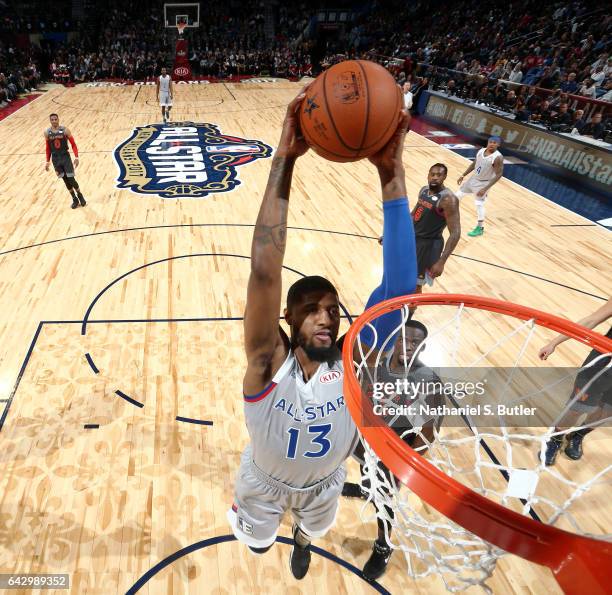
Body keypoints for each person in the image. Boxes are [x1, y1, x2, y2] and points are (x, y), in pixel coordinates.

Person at [227, 87, 417, 580]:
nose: (325, 317)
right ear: (288, 320)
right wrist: (284, 161)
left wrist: (391, 174)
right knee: (255, 544)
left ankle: (302, 540)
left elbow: (400, 288)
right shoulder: (267, 361)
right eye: (310, 309)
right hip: (263, 482)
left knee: (311, 530)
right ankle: (271, 533)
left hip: (325, 482)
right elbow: (265, 272)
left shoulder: (353, 358)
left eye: (332, 309)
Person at [342, 320, 443, 580]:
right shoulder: (375, 362)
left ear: (422, 346)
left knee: (384, 501)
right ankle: (365, 488)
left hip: (395, 452)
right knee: (367, 472)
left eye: (414, 342)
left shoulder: (427, 383)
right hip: (367, 443)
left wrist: (404, 464)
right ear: (395, 340)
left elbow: (428, 434)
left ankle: (383, 545)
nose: (408, 346)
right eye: (403, 339)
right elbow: (349, 343)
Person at [538, 298, 611, 465]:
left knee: (605, 413)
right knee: (577, 409)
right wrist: (554, 342)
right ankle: (555, 439)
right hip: (603, 362)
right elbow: (591, 320)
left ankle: (578, 434)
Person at [456, 137, 504, 237]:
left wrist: (485, 188)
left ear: (498, 145)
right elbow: (474, 164)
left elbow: (499, 174)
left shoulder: (497, 157)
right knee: (457, 196)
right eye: (490, 142)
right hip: (473, 180)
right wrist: (463, 175)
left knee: (479, 204)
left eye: (494, 143)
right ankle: (446, 214)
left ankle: (480, 228)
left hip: (483, 183)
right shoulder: (481, 151)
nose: (492, 144)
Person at [44, 113, 86, 209]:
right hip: (55, 159)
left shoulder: (65, 130)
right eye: (52, 120)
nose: (54, 121)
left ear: (58, 119)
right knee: (65, 180)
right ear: (50, 121)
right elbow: (48, 148)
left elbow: (73, 144)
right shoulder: (47, 133)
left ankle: (80, 194)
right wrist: (47, 161)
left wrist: (76, 157)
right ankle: (74, 198)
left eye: (55, 119)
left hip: (65, 157)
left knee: (71, 178)